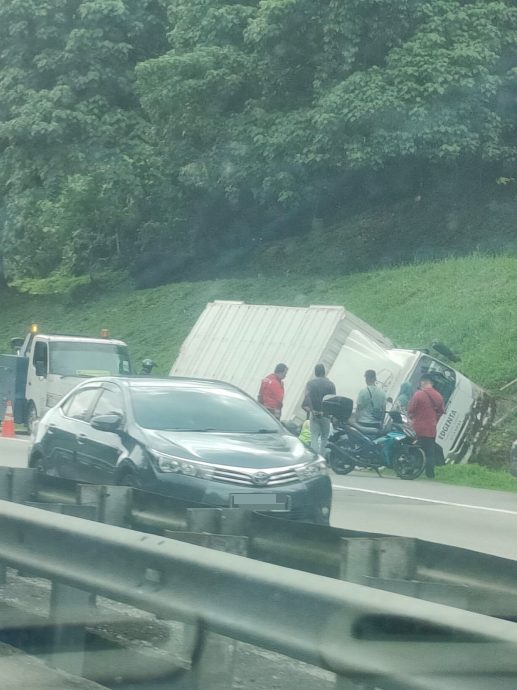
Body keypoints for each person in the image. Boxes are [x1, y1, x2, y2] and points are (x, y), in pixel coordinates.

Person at [407, 374, 445, 478]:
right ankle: (430, 474)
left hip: (418, 428)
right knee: (430, 452)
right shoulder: (439, 396)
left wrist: (412, 417)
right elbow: (441, 412)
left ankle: (410, 470)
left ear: (424, 382)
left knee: (413, 449)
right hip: (431, 428)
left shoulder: (418, 394)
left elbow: (411, 410)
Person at [304, 364, 336, 455]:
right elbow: (333, 400)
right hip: (325, 415)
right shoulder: (331, 384)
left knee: (314, 437)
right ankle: (322, 457)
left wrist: (312, 410)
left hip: (314, 414)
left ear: (315, 372)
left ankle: (314, 457)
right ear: (324, 372)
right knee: (324, 438)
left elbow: (307, 397)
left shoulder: (310, 383)